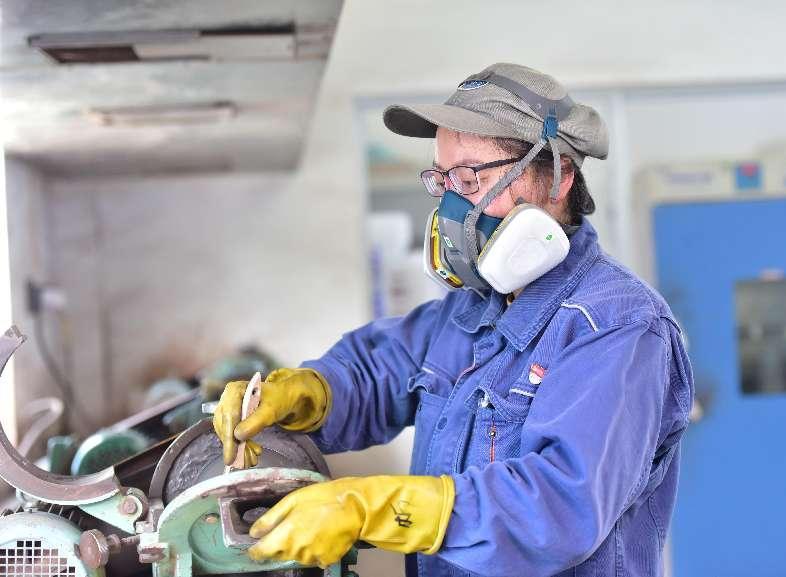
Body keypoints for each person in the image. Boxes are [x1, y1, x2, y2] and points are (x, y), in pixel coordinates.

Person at [213, 63, 694, 577]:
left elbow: (559, 507)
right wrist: (307, 393)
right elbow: (376, 373)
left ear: (558, 177)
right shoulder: (474, 308)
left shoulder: (618, 326)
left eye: (469, 178)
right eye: (442, 180)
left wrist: (375, 508)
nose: (450, 207)